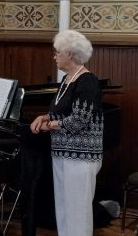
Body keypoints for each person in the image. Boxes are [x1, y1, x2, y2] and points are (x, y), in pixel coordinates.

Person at [30, 30, 103, 236]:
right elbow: (59, 111)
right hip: (62, 153)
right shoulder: (66, 80)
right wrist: (44, 117)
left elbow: (79, 119)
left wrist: (50, 125)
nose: (54, 56)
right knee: (63, 208)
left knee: (78, 211)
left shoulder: (87, 81)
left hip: (81, 157)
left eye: (57, 52)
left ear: (70, 53)